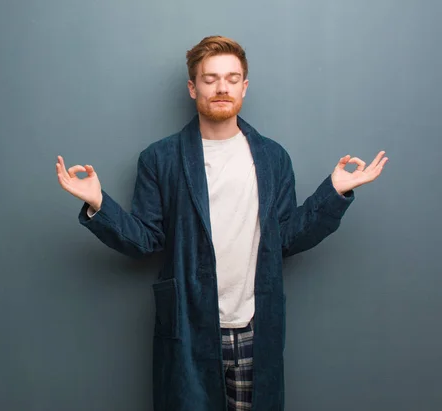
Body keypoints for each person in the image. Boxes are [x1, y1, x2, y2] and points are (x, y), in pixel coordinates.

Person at [55, 35, 387, 411]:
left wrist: (334, 193)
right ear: (192, 87)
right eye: (210, 78)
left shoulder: (273, 158)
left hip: (254, 327)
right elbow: (145, 240)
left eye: (231, 78)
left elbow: (287, 238)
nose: (221, 87)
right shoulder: (160, 158)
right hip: (189, 326)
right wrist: (99, 203)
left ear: (244, 86)